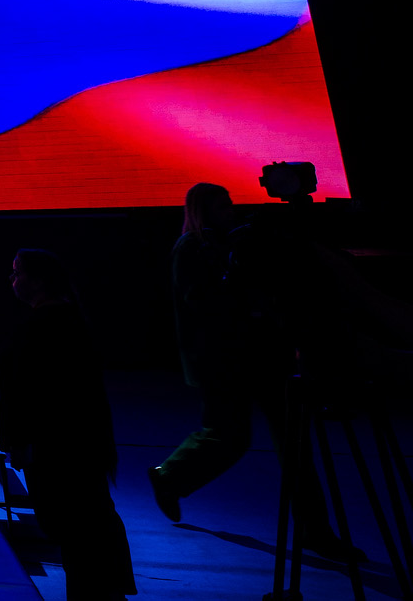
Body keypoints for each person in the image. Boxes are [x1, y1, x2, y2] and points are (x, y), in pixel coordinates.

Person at [147, 183, 359, 560]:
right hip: (224, 362)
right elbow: (203, 305)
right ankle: (170, 477)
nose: (230, 211)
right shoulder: (192, 248)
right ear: (203, 211)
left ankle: (315, 531)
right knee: (230, 437)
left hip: (264, 356)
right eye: (222, 206)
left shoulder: (234, 243)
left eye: (229, 204)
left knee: (294, 447)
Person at [0, 248, 134, 600]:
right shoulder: (68, 320)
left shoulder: (45, 325)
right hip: (76, 442)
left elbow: (27, 390)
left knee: (75, 526)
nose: (12, 279)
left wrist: (18, 439)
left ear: (38, 280)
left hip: (57, 446)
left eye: (18, 272)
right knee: (87, 520)